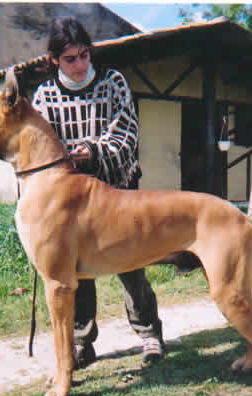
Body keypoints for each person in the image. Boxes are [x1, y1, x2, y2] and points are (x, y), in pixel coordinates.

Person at [31, 16, 164, 368]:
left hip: (118, 190)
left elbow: (127, 134)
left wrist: (93, 150)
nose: (79, 65)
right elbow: (42, 145)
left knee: (132, 266)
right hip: (71, 201)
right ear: (54, 60)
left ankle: (149, 334)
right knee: (76, 271)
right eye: (70, 58)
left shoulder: (113, 83)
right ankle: (81, 342)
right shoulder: (44, 96)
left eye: (84, 55)